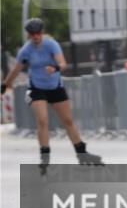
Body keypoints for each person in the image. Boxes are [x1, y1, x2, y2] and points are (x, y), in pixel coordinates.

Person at [1, 18, 103, 173]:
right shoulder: (26, 50)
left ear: (41, 33)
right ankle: (45, 158)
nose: (36, 36)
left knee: (68, 121)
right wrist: (4, 86)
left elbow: (63, 63)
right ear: (29, 35)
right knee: (42, 120)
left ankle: (82, 154)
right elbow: (15, 70)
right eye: (32, 34)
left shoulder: (51, 44)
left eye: (38, 33)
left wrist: (54, 68)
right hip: (36, 88)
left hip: (55, 86)